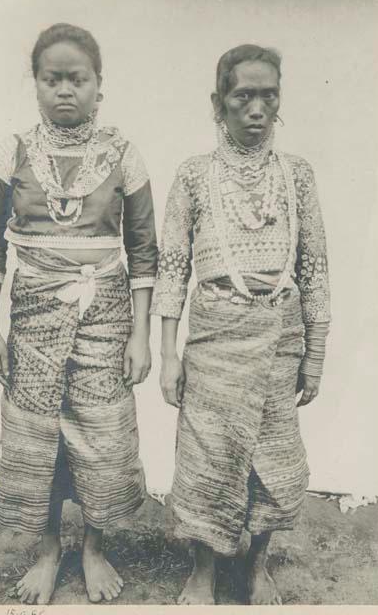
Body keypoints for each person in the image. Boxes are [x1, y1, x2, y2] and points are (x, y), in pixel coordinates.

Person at [0, 23, 157, 605]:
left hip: (105, 311)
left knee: (101, 434)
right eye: (52, 79)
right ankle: (50, 549)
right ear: (35, 84)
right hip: (32, 314)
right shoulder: (13, 150)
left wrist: (140, 336)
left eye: (77, 79)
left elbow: (144, 251)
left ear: (98, 87)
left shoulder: (125, 153)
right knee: (40, 435)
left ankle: (94, 546)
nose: (65, 90)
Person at [151, 44, 330, 605]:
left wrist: (316, 351)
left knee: (274, 457)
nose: (256, 108)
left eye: (268, 95)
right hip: (214, 337)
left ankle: (257, 567)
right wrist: (169, 353)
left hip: (280, 335)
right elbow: (173, 267)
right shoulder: (194, 176)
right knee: (209, 456)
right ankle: (203, 571)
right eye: (242, 95)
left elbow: (316, 265)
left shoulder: (297, 175)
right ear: (218, 103)